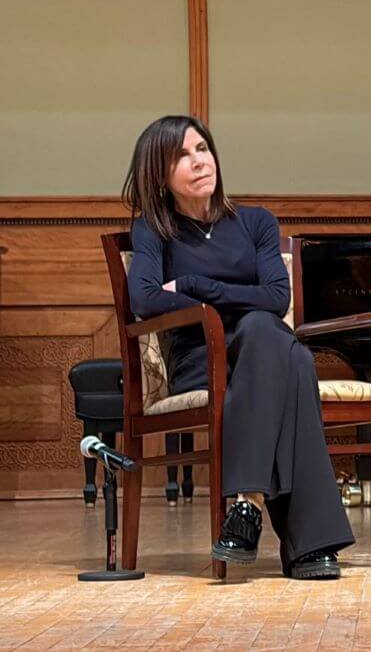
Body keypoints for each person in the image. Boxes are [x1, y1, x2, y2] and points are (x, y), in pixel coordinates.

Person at [122, 115, 352, 579]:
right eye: (181, 156)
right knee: (295, 359)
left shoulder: (255, 222)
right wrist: (236, 300)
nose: (198, 162)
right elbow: (145, 298)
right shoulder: (153, 229)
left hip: (257, 353)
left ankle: (244, 506)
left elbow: (276, 297)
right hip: (202, 361)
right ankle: (311, 546)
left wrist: (191, 283)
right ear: (159, 175)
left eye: (202, 149)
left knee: (265, 334)